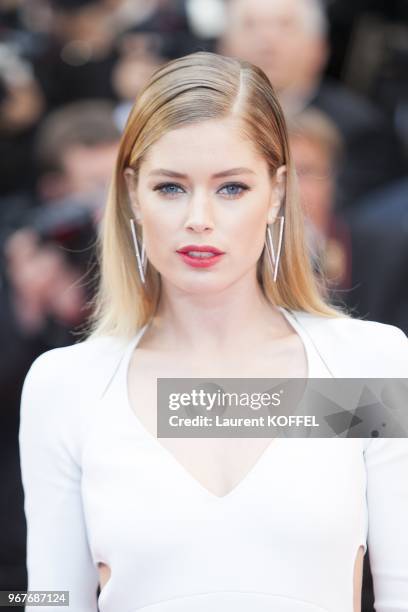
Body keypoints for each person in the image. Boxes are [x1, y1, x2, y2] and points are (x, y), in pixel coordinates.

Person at [18, 51, 408, 612]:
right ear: (132, 193)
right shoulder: (69, 387)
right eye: (171, 187)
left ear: (276, 193)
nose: (199, 217)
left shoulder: (365, 366)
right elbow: (50, 599)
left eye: (231, 188)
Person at [219, 0, 406, 210]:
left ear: (319, 49)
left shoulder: (359, 129)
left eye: (285, 25)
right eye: (250, 25)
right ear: (222, 48)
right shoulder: (204, 121)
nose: (267, 40)